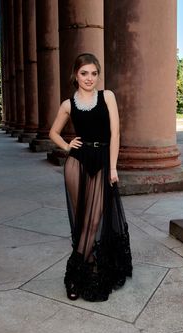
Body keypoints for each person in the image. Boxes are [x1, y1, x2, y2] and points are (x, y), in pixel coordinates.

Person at [49, 53, 132, 302]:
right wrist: (66, 146)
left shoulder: (107, 96)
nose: (89, 78)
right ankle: (89, 261)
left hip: (101, 162)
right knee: (82, 220)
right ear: (75, 74)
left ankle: (74, 272)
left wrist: (113, 168)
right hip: (77, 163)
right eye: (84, 73)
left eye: (94, 73)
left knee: (93, 221)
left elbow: (115, 134)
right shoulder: (68, 104)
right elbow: (53, 132)